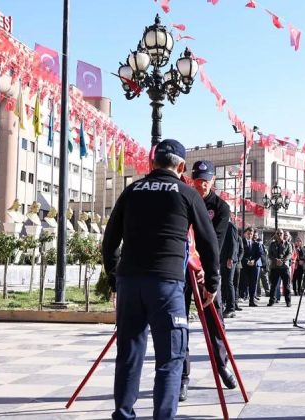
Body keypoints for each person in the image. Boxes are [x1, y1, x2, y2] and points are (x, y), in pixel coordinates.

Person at [101, 139, 221, 419]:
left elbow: (109, 242)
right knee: (170, 359)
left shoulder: (132, 191)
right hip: (165, 286)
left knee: (129, 356)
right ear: (181, 166)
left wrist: (114, 278)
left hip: (130, 283)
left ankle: (123, 414)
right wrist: (211, 284)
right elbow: (208, 243)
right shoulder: (187, 193)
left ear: (153, 163)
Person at [181, 160, 237, 401]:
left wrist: (204, 268)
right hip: (183, 270)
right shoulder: (184, 200)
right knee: (179, 324)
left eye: (206, 180)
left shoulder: (221, 207)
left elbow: (215, 241)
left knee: (215, 323)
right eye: (197, 180)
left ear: (213, 180)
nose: (201, 185)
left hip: (208, 271)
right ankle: (182, 376)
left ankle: (221, 364)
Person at [220, 221, 241, 318]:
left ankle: (231, 309)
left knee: (229, 282)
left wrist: (231, 258)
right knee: (224, 283)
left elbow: (233, 243)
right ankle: (223, 305)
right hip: (222, 259)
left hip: (229, 259)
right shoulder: (220, 224)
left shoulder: (230, 226)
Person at [268, 228, 293, 307]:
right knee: (273, 285)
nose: (279, 235)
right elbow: (269, 255)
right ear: (275, 234)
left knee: (287, 285)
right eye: (278, 233)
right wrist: (276, 260)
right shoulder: (272, 244)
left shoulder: (287, 244)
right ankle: (272, 301)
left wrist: (283, 260)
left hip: (284, 267)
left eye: (281, 234)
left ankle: (288, 301)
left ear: (283, 234)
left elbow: (290, 254)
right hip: (275, 267)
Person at [240, 227, 263, 305]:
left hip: (254, 266)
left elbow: (259, 254)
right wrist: (246, 261)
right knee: (244, 282)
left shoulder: (256, 243)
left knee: (253, 283)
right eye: (248, 234)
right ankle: (242, 296)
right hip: (244, 266)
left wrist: (254, 261)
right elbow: (240, 253)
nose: (250, 235)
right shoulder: (241, 242)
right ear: (245, 234)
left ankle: (252, 300)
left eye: (251, 234)